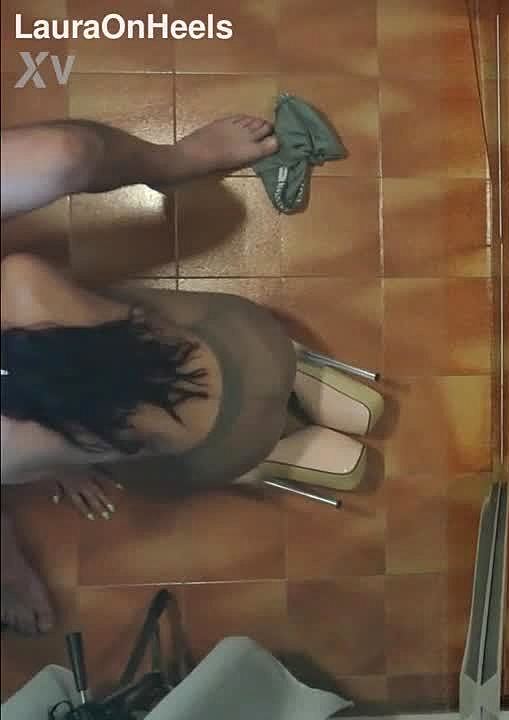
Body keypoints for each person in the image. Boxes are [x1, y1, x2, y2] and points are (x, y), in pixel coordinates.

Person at [0, 118, 379, 635]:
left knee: (135, 455)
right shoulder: (20, 277)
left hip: (228, 446)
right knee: (118, 324)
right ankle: (306, 377)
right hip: (250, 340)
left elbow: (65, 451)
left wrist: (63, 455)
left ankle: (280, 458)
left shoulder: (8, 453)